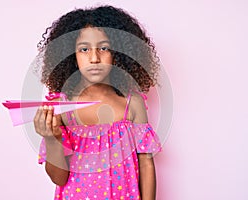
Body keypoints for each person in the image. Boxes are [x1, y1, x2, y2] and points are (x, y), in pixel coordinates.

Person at [33, 5, 162, 200]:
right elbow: (59, 178)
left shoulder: (132, 104)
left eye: (104, 48)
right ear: (71, 55)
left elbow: (146, 164)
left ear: (118, 53)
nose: (94, 58)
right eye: (84, 49)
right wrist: (52, 139)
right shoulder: (61, 107)